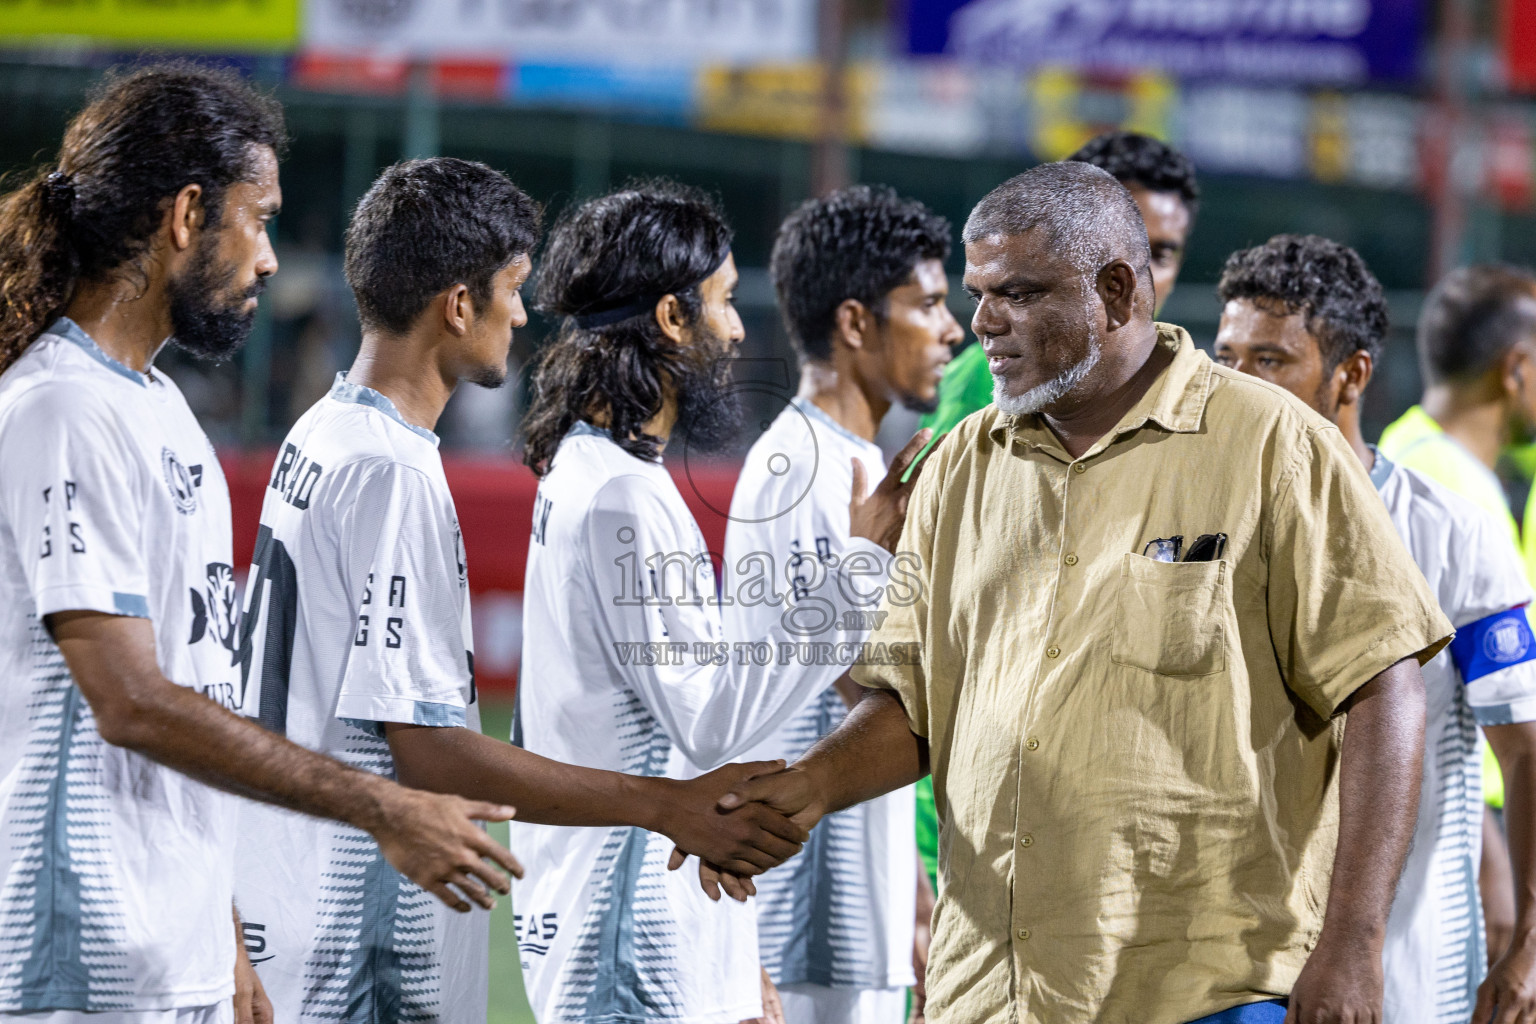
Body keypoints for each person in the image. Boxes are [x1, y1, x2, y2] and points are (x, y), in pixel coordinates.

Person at [714, 162, 1453, 1024]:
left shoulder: (1273, 446)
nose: (982, 322)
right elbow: (917, 707)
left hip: (1204, 995)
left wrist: (1354, 943)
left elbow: (1383, 686)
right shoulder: (955, 467)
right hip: (988, 993)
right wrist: (804, 788)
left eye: (1017, 293)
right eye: (978, 291)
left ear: (1113, 291)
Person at [0, 65, 521, 1024]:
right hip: (76, 968)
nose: (272, 258)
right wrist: (382, 805)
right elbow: (133, 703)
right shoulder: (63, 408)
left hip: (178, 954)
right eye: (261, 218)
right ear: (188, 216)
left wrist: (226, 932)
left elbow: (201, 687)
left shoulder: (160, 410)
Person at [233, 158, 809, 1023]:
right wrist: (666, 809)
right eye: (509, 286)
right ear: (458, 305)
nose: (523, 310)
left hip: (297, 893)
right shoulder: (391, 470)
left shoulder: (323, 430)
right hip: (349, 935)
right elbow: (426, 750)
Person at [514, 181, 928, 1024]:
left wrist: (737, 962)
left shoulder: (593, 474)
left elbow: (682, 727)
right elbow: (712, 718)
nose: (739, 330)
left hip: (640, 923)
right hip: (625, 941)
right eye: (725, 303)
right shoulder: (622, 497)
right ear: (672, 318)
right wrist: (857, 567)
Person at [1212, 233, 1536, 1024]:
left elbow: (1524, 744)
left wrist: (1530, 939)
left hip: (1405, 973)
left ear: (1350, 375)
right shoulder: (1189, 525)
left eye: (1269, 361)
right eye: (1225, 358)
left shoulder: (1450, 531)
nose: (1234, 385)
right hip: (1222, 972)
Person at [907, 133, 1201, 911]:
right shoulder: (991, 382)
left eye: (1162, 251)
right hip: (971, 835)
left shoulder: (1218, 422)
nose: (1146, 274)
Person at [725, 184, 963, 1024]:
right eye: (929, 305)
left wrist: (910, 891)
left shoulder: (847, 458)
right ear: (857, 323)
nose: (952, 330)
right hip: (806, 906)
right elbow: (858, 687)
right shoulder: (804, 468)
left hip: (852, 895)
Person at [1377, 263, 1536, 957]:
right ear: (1517, 370)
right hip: (1469, 813)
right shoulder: (1452, 499)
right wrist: (1493, 859)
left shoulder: (1408, 451)